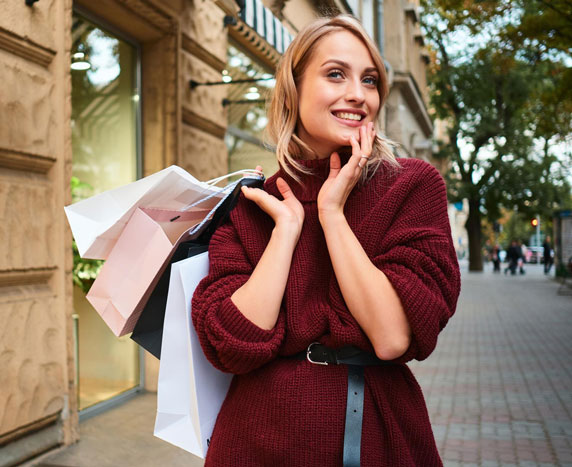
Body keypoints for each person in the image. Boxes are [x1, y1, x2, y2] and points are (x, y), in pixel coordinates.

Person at [191, 15, 460, 466]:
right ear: (294, 90)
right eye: (336, 74)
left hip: (374, 434)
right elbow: (233, 346)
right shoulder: (253, 203)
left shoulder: (412, 186)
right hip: (253, 440)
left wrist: (332, 214)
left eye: (369, 80)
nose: (358, 93)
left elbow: (392, 337)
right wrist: (286, 231)